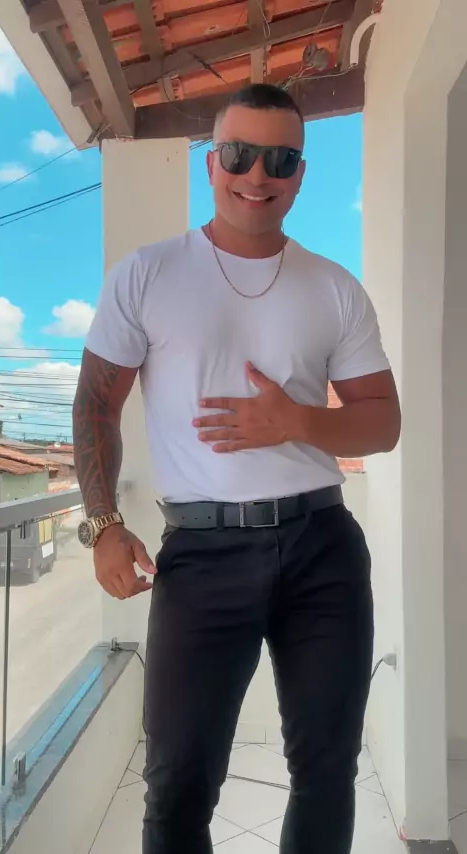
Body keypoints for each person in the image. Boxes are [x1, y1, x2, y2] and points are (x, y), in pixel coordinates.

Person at [73, 83, 400, 854]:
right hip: (202, 555)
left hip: (322, 550)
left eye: (279, 160)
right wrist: (103, 524)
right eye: (240, 155)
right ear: (211, 163)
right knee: (177, 783)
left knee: (326, 770)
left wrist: (299, 421)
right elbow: (95, 403)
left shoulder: (333, 287)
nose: (258, 175)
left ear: (300, 174)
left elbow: (383, 422)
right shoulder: (148, 274)